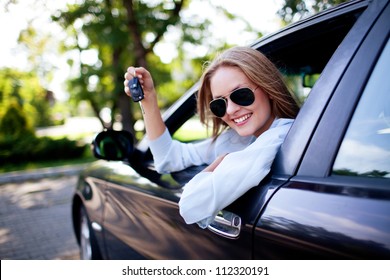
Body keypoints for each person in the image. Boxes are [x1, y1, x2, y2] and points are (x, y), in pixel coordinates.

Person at [124, 46, 299, 228]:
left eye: (241, 95)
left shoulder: (280, 137)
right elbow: (168, 158)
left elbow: (191, 205)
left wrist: (214, 168)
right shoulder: (237, 140)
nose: (230, 110)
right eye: (219, 104)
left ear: (268, 88)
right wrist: (148, 98)